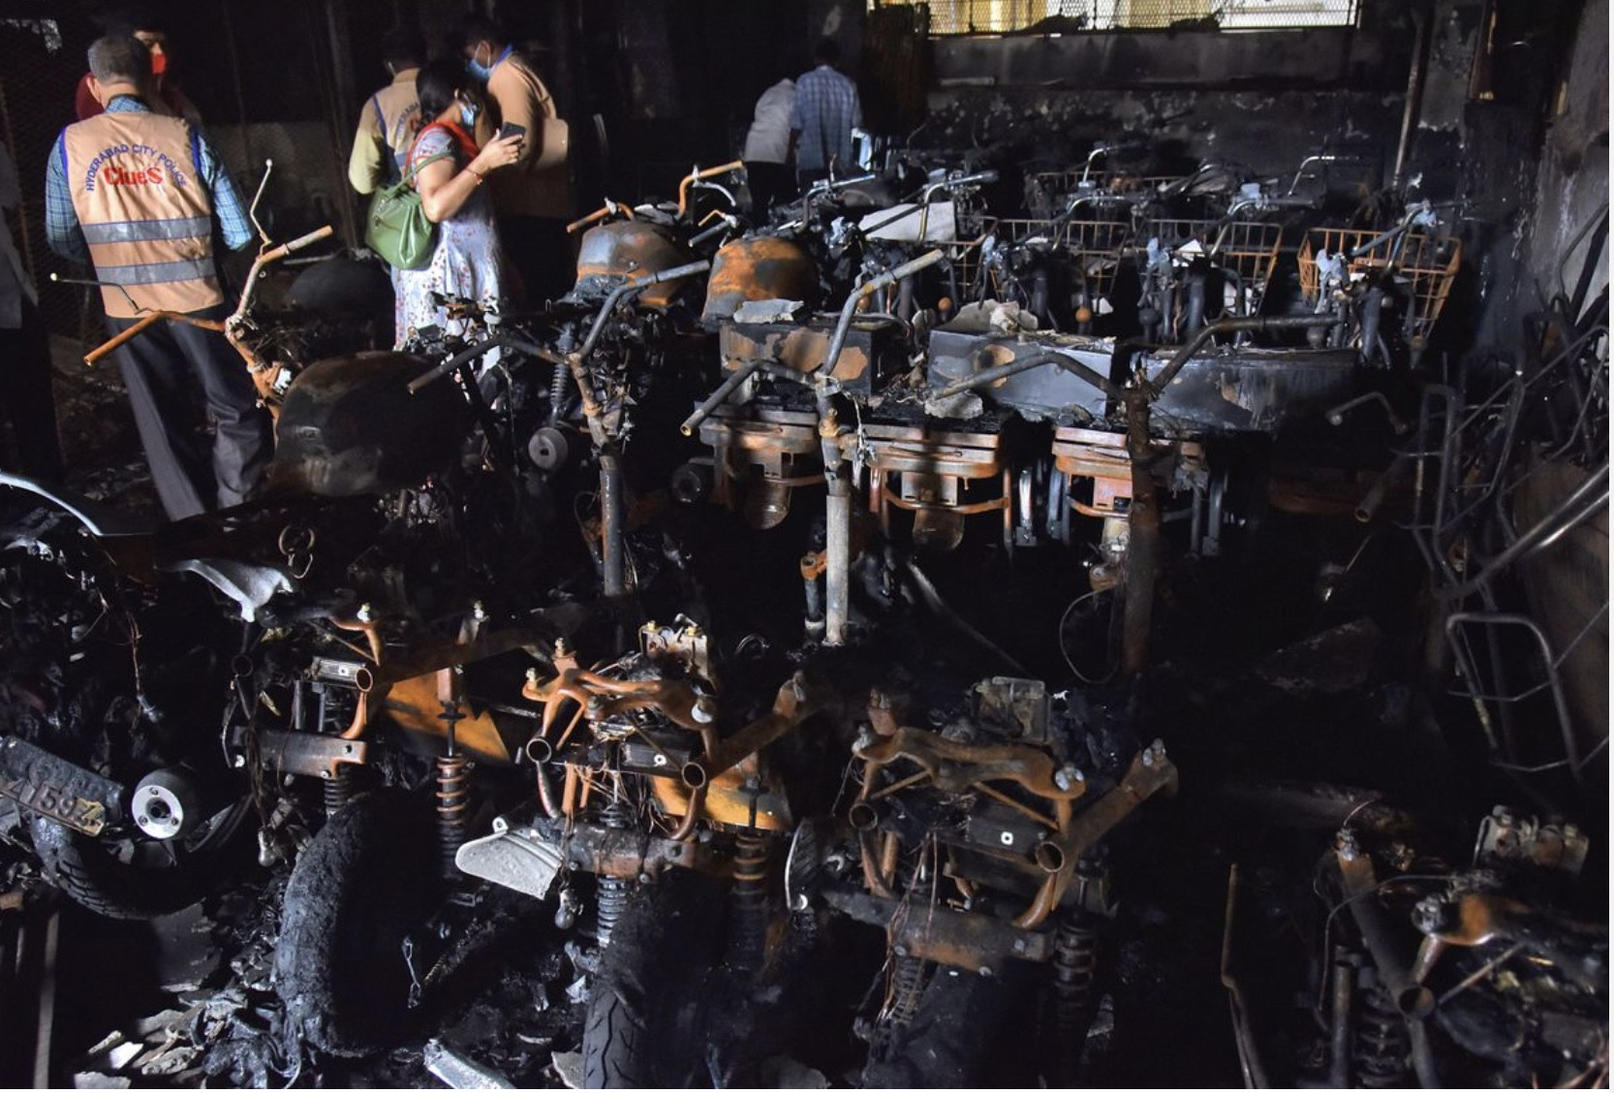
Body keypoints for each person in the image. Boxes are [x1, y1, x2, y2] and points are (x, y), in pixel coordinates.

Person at [46, 35, 270, 522]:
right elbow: (238, 232)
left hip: (125, 307)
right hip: (200, 302)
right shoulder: (185, 135)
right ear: (152, 79)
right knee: (234, 409)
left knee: (163, 423)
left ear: (94, 84)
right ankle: (239, 519)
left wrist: (112, 262)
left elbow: (61, 238)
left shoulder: (69, 146)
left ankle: (193, 530)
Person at [393, 58, 522, 347]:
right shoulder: (437, 140)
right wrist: (484, 163)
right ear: (459, 94)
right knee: (460, 362)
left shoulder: (451, 137)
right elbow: (436, 207)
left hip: (465, 272)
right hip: (450, 278)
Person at [462, 17, 572, 303]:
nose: (469, 64)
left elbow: (519, 148)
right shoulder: (519, 65)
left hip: (530, 205)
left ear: (485, 47)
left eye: (469, 55)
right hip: (540, 201)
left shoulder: (507, 74)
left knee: (540, 294)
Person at [0, 139, 64, 484]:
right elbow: (10, 199)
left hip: (11, 303)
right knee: (33, 415)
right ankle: (47, 493)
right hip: (10, 303)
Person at [73, 8, 200, 123]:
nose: (159, 52)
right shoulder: (100, 83)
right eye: (148, 44)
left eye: (162, 44)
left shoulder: (167, 86)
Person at [348, 27, 425, 196]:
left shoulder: (377, 105)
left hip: (409, 203)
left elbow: (362, 181)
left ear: (389, 65)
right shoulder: (452, 90)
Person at [791, 38, 862, 188]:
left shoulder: (804, 81)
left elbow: (796, 124)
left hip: (810, 161)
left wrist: (789, 154)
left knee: (810, 201)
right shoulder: (848, 85)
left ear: (816, 59)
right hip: (839, 164)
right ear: (837, 61)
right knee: (837, 201)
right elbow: (857, 123)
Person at [743, 76, 795, 215]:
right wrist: (791, 155)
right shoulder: (795, 95)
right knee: (786, 205)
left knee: (759, 203)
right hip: (776, 152)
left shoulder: (768, 93)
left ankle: (759, 226)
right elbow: (795, 128)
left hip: (753, 151)